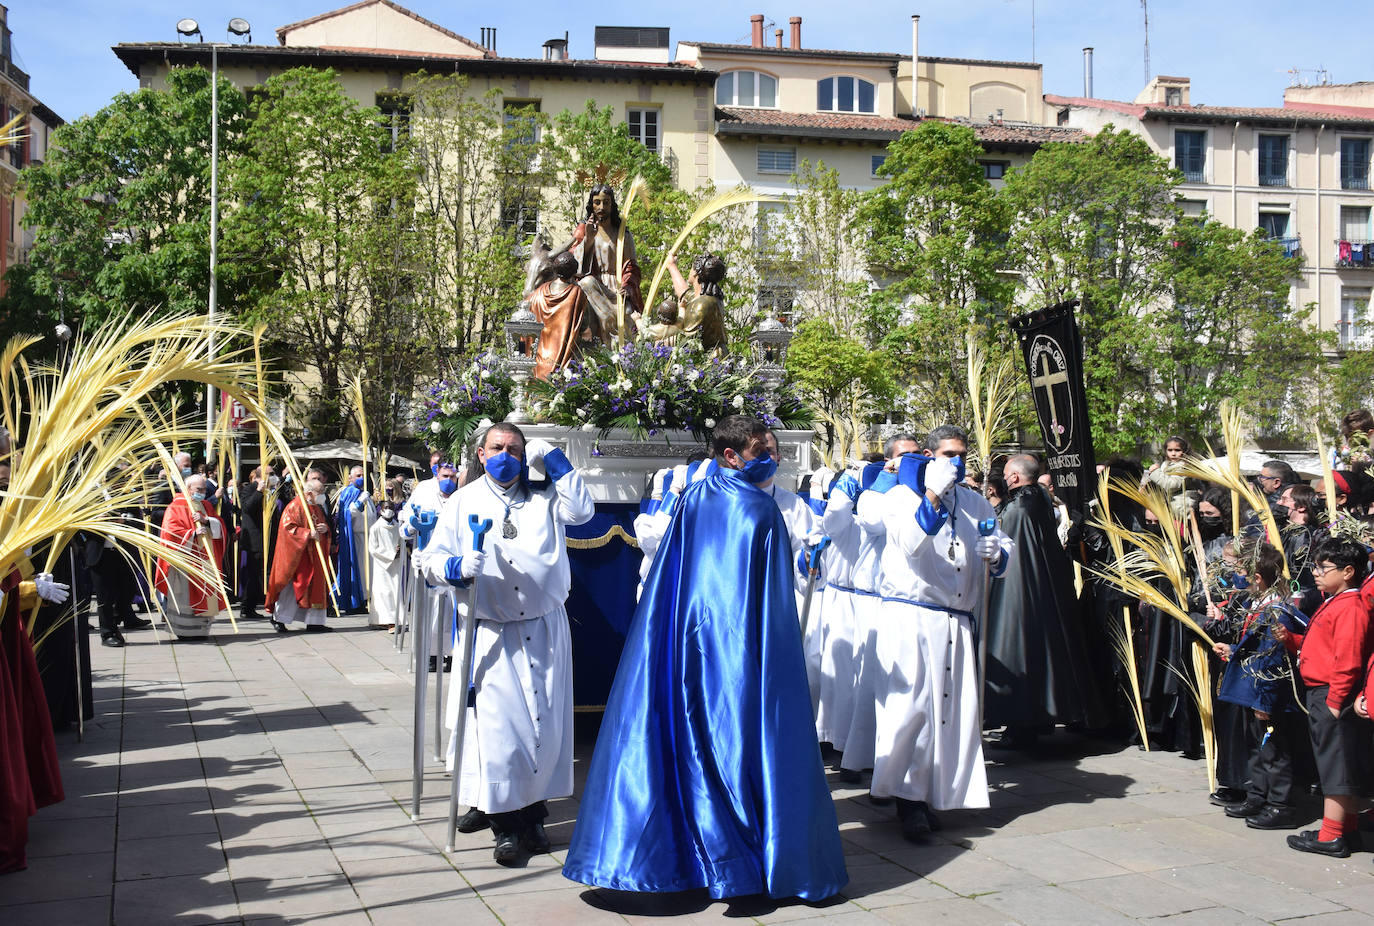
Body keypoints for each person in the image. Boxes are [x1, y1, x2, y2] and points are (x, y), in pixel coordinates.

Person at [563, 415, 847, 900]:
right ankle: (743, 861)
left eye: (775, 449)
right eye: (763, 450)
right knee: (737, 742)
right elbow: (770, 603)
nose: (773, 459)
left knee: (692, 741)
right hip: (737, 650)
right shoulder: (758, 509)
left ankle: (704, 860)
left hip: (689, 643)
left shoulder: (697, 497)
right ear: (730, 455)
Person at [420, 422, 594, 864]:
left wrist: (551, 458)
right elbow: (431, 562)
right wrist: (457, 565)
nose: (506, 455)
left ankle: (535, 815)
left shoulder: (545, 496)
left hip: (545, 629)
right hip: (492, 631)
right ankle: (507, 826)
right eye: (497, 448)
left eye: (515, 449)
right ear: (481, 454)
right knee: (500, 733)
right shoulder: (463, 502)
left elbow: (583, 511)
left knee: (544, 731)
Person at [869, 425, 1011, 841]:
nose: (958, 461)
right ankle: (907, 799)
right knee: (911, 711)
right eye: (949, 454)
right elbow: (912, 542)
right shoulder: (900, 496)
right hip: (911, 616)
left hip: (956, 618)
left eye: (962, 454)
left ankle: (936, 793)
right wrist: (931, 494)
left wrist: (996, 553)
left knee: (951, 714)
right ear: (929, 455)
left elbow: (997, 540)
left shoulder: (974, 501)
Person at [984, 454, 1103, 745]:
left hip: (1020, 593)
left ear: (1013, 478)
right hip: (1043, 589)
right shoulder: (1038, 500)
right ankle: (1037, 720)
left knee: (1023, 650)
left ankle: (1024, 723)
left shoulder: (1020, 507)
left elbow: (1011, 553)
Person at [1279, 537, 1374, 857]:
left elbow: (1348, 660)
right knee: (1337, 764)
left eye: (1324, 567)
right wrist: (1292, 640)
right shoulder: (1336, 601)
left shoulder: (1351, 606)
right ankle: (1346, 831)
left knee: (1335, 767)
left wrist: (1334, 702)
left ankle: (1330, 835)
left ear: (1349, 571)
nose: (1316, 573)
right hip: (1324, 693)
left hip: (1332, 695)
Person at [1213, 541, 1308, 830]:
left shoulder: (1276, 611)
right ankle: (1258, 793)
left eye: (1242, 571)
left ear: (1256, 577)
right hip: (1251, 691)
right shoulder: (1256, 604)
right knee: (1256, 747)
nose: (1237, 576)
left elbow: (1275, 659)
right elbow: (1255, 649)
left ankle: (1280, 804)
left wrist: (1264, 703)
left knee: (1273, 749)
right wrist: (1233, 649)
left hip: (1266, 695)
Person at [403, 461, 462, 671]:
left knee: (454, 612)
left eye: (452, 477)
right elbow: (406, 524)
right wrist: (411, 526)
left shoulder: (461, 499)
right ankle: (430, 654)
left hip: (455, 563)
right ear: (437, 476)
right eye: (445, 476)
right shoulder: (424, 496)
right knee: (432, 612)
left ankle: (454, 654)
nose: (448, 481)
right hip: (431, 564)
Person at [153, 473, 228, 639]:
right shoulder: (176, 506)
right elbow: (170, 533)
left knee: (206, 597)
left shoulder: (206, 505)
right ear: (188, 489)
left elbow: (220, 526)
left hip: (205, 560)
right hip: (186, 561)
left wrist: (207, 520)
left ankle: (202, 630)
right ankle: (184, 632)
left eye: (203, 489)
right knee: (185, 599)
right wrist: (192, 534)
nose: (202, 492)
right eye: (198, 489)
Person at [562, 184, 643, 337]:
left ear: (612, 205)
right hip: (595, 287)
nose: (601, 207)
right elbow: (577, 267)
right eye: (597, 202)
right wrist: (589, 240)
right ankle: (609, 323)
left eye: (606, 202)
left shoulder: (623, 234)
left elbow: (632, 266)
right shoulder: (585, 232)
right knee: (586, 282)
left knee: (626, 311)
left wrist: (628, 286)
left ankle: (622, 351)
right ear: (591, 205)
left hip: (617, 285)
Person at [265, 478, 334, 634]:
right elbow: (287, 529)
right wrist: (308, 534)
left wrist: (325, 529)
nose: (323, 495)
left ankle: (315, 622)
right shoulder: (294, 507)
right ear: (309, 493)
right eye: (320, 492)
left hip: (314, 556)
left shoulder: (316, 507)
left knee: (316, 587)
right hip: (297, 557)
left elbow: (323, 526)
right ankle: (279, 618)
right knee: (290, 588)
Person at [530, 250, 598, 380]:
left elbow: (524, 312)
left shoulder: (540, 292)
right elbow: (584, 325)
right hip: (562, 356)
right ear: (573, 272)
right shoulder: (576, 293)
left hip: (539, 356)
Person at [659, 252, 728, 353]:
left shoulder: (702, 304)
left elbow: (687, 340)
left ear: (696, 272)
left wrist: (661, 340)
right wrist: (671, 265)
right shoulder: (706, 298)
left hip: (709, 361)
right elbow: (684, 293)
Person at [333, 465, 374, 615]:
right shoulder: (350, 492)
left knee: (365, 571)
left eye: (363, 475)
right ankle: (354, 601)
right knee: (358, 570)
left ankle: (363, 598)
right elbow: (347, 513)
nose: (361, 478)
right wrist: (358, 504)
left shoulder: (363, 493)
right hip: (356, 537)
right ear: (350, 478)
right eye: (358, 475)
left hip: (368, 537)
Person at [238, 466, 274, 621]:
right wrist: (258, 491)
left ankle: (255, 604)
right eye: (270, 474)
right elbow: (246, 508)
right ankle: (247, 607)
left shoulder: (272, 490)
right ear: (261, 476)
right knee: (254, 574)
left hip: (268, 538)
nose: (274, 476)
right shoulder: (250, 489)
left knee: (263, 573)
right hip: (255, 540)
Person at [367, 499, 405, 630]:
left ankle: (396, 619)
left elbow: (402, 542)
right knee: (384, 591)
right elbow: (372, 548)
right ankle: (385, 620)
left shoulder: (398, 527)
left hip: (395, 563)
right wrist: (390, 554)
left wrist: (401, 551)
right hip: (382, 564)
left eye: (391, 507)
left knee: (395, 591)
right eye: (386, 507)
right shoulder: (376, 527)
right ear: (381, 510)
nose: (389, 510)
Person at [1143, 436, 1191, 519]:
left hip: (1182, 512)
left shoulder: (1185, 466)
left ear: (1184, 451)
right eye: (1170, 450)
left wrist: (1155, 472)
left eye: (1177, 450)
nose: (1173, 453)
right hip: (1169, 510)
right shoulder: (1165, 465)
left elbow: (1171, 485)